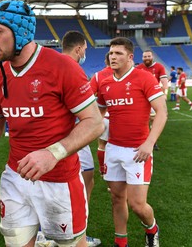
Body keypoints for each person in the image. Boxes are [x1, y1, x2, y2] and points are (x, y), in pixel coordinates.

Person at [0, 0, 103, 247]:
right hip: (15, 178)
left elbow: (95, 122)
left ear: (20, 31)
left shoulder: (62, 67)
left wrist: (53, 153)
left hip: (60, 180)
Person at [97, 37, 167, 247]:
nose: (113, 57)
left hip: (138, 151)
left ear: (130, 57)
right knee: (117, 199)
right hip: (113, 149)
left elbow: (162, 112)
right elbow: (99, 112)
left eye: (118, 53)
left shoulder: (144, 78)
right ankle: (121, 243)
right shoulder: (104, 80)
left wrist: (149, 143)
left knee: (137, 204)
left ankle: (152, 229)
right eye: (111, 53)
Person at [61, 30, 101, 247]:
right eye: (85, 49)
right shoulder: (72, 68)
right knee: (84, 179)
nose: (85, 53)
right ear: (78, 49)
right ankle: (79, 235)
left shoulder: (52, 65)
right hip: (74, 134)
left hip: (56, 135)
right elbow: (88, 115)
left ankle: (47, 232)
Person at [136, 50, 168, 151]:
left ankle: (153, 142)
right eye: (145, 57)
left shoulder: (159, 67)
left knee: (155, 120)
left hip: (153, 98)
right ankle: (142, 140)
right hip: (141, 99)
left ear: (152, 56)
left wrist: (164, 94)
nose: (147, 58)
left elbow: (164, 82)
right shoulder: (139, 68)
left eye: (148, 56)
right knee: (142, 121)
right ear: (142, 58)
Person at [89, 52, 113, 177]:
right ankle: (116, 173)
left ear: (105, 61)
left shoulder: (98, 76)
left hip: (105, 117)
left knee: (102, 144)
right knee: (118, 146)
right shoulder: (124, 74)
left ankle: (103, 170)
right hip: (122, 117)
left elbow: (88, 96)